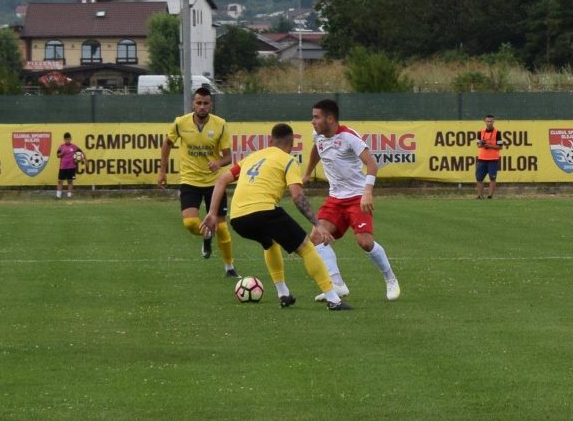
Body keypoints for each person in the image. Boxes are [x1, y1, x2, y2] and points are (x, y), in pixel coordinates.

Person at [201, 123, 351, 310]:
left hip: (238, 218)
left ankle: (283, 294)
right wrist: (317, 224)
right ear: (292, 144)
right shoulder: (288, 160)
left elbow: (222, 179)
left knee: (269, 242)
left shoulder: (252, 157)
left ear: (270, 140)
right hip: (264, 211)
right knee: (306, 248)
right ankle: (333, 300)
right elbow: (297, 196)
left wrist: (212, 213)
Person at [302, 99, 401, 302]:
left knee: (365, 243)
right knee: (317, 237)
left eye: (316, 117)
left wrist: (367, 192)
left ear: (330, 119)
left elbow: (372, 165)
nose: (312, 121)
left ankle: (390, 278)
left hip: (357, 197)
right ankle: (337, 284)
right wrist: (308, 173)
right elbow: (316, 150)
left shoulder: (349, 137)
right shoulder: (317, 136)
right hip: (335, 199)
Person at [159, 86, 238, 277]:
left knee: (222, 228)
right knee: (190, 223)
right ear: (193, 104)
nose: (202, 106)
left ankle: (229, 267)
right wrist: (162, 171)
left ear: (211, 105)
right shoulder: (180, 123)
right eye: (199, 103)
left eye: (205, 103)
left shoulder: (220, 124)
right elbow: (167, 144)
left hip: (214, 183)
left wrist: (218, 163)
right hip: (190, 180)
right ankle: (206, 235)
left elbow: (228, 157)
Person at [475, 114, 503, 199]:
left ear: (493, 122)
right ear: (485, 121)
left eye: (491, 121)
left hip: (493, 159)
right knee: (479, 178)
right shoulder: (480, 132)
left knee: (492, 178)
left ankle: (490, 196)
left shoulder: (497, 133)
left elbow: (500, 147)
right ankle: (480, 196)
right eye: (487, 121)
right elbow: (478, 145)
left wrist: (489, 146)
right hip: (482, 158)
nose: (489, 123)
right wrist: (482, 143)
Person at [56, 132, 84, 199]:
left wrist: (82, 160)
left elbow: (81, 153)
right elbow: (58, 155)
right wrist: (62, 153)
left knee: (70, 181)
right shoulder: (61, 146)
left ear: (70, 139)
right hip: (63, 167)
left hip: (71, 167)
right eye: (66, 139)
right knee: (60, 181)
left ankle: (69, 196)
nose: (67, 141)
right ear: (64, 139)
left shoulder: (74, 147)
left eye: (68, 139)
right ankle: (58, 196)